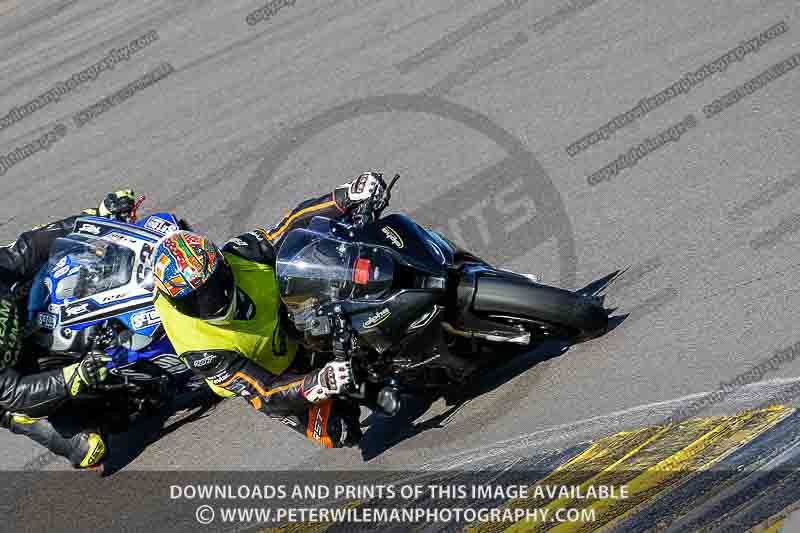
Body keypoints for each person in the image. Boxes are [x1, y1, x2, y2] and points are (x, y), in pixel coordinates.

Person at [151, 172, 387, 448]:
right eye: (196, 301)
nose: (211, 302)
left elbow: (287, 226)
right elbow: (263, 393)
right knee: (338, 431)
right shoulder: (201, 351)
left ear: (222, 266)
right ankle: (366, 382)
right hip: (279, 371)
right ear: (176, 303)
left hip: (296, 316)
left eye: (214, 286)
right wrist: (317, 383)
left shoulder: (238, 254)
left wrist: (345, 196)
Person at [0, 190, 136, 469]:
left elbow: (31, 246)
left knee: (75, 267)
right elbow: (15, 391)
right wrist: (72, 377)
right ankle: (35, 418)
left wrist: (97, 218)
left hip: (28, 318)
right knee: (90, 451)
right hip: (12, 391)